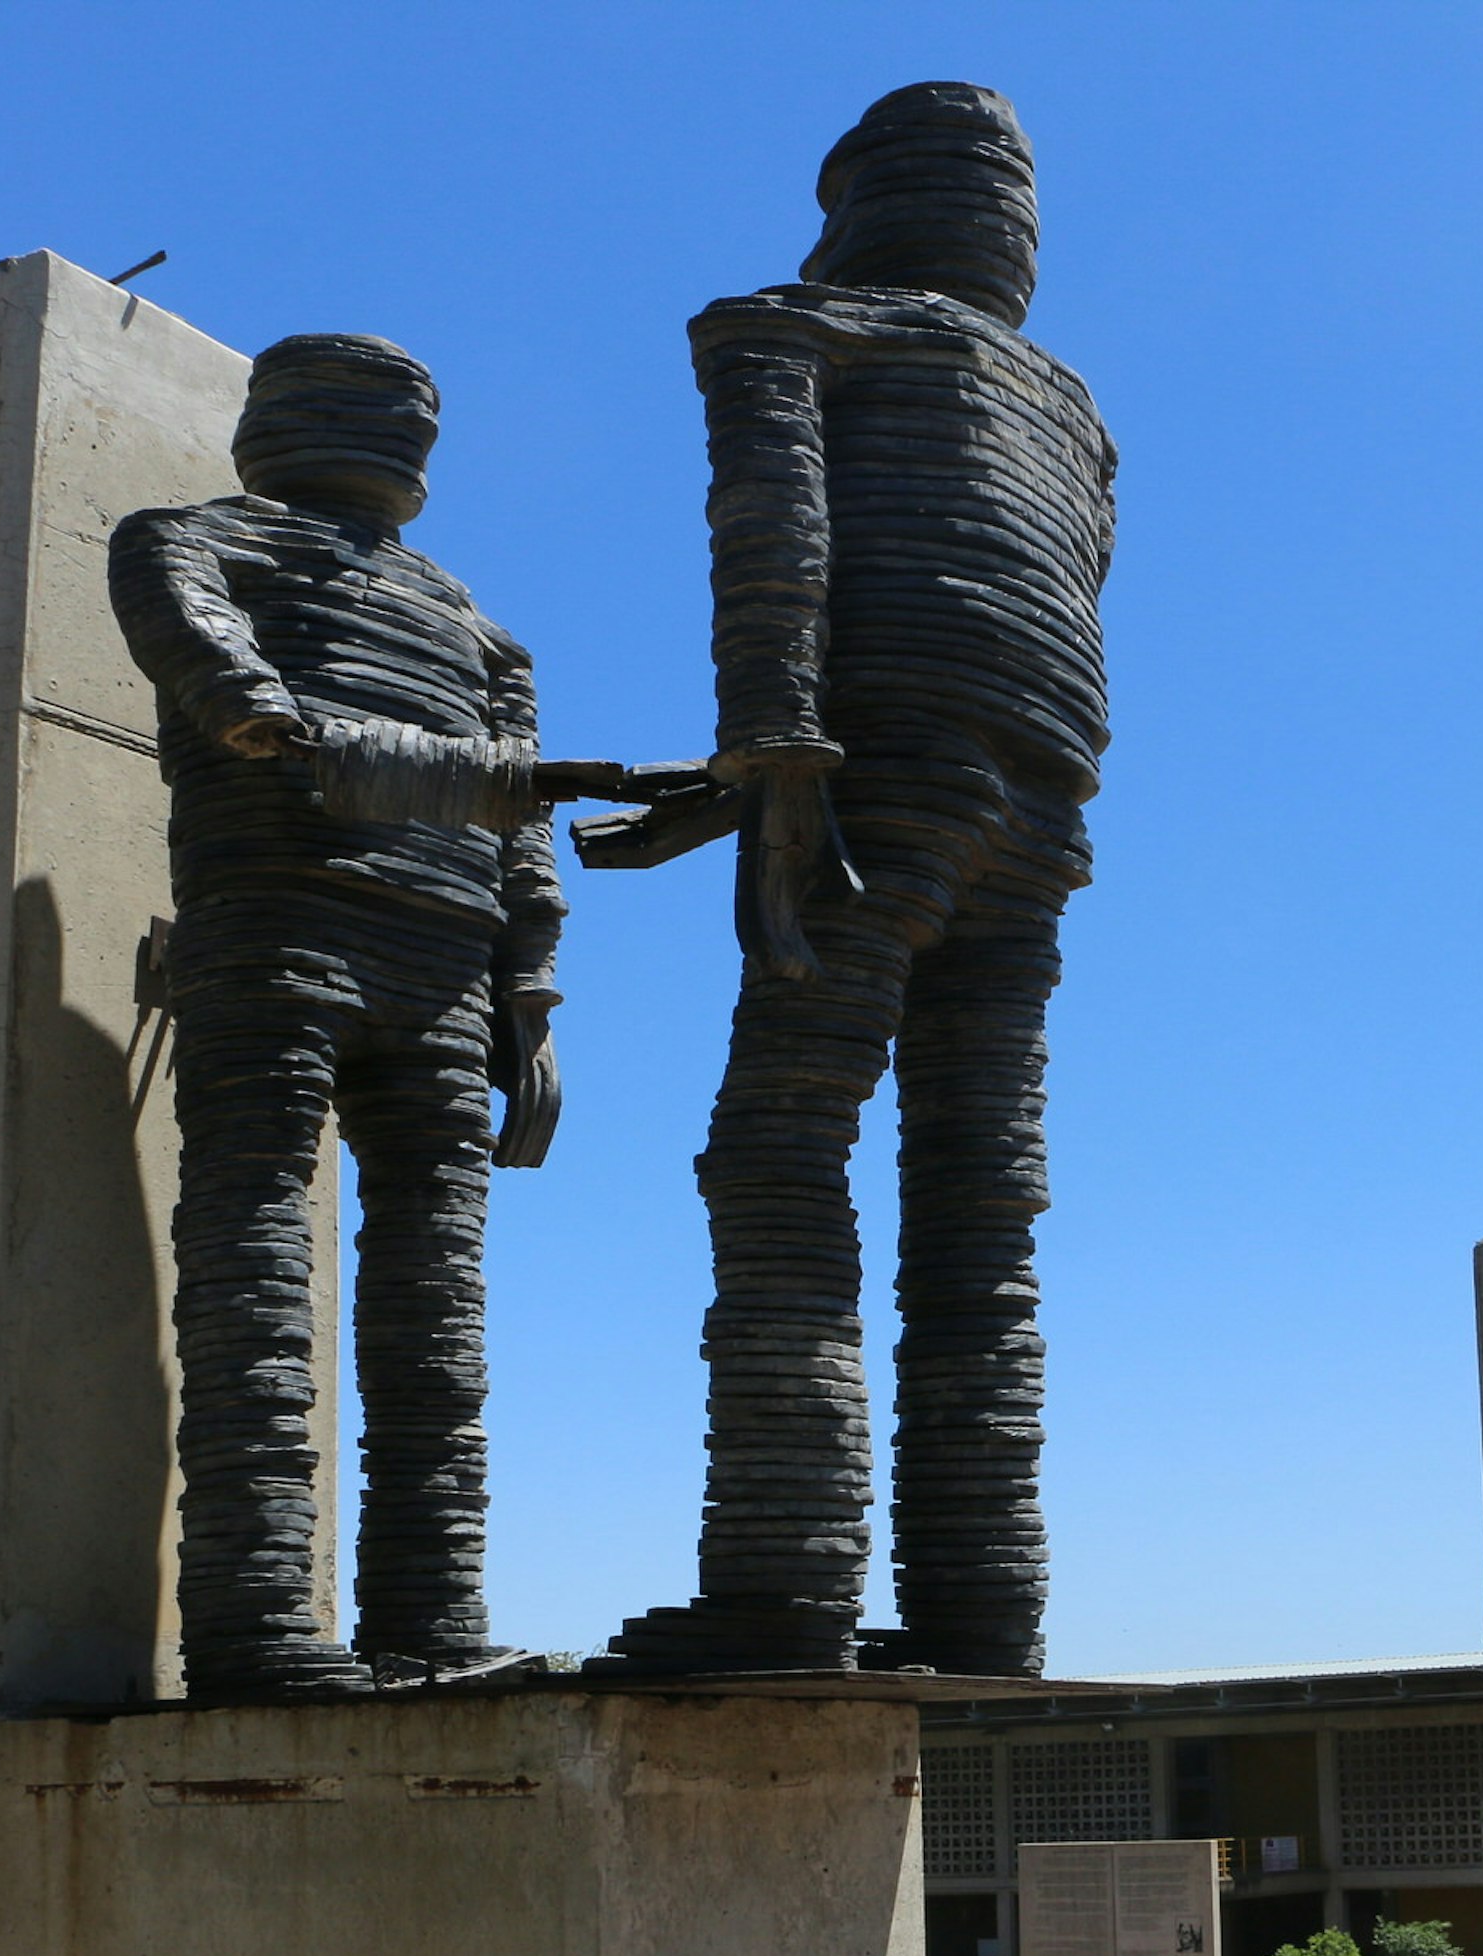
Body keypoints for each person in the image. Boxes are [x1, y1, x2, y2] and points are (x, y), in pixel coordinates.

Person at [614, 80, 1117, 1676]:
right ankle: (985, 1606)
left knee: (779, 1148)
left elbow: (779, 530)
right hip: (1040, 808)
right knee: (980, 1207)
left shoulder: (790, 328)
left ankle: (780, 1589)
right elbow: (1027, 609)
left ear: (859, 209)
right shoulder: (1077, 417)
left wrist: (775, 746)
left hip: (875, 774)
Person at [109, 332, 571, 1699]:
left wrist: (528, 997)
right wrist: (263, 711)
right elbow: (193, 641)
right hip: (276, 929)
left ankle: (430, 1620)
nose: (400, 440)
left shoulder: (475, 624)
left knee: (438, 1320)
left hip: (445, 964)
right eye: (381, 412)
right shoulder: (192, 538)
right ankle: (258, 1635)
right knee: (251, 1278)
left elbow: (526, 810)